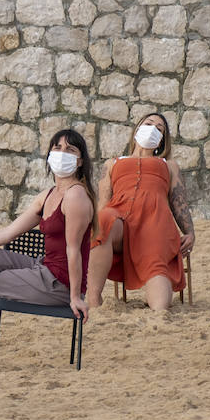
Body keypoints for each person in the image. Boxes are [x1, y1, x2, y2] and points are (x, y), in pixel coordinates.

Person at [0, 129, 96, 366]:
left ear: (80, 161)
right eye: (57, 148)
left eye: (70, 150)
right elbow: (9, 232)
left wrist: (75, 296)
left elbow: (74, 250)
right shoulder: (48, 195)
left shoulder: (75, 196)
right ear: (49, 153)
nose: (62, 153)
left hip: (60, 283)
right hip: (43, 267)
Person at [86, 113, 195, 311]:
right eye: (148, 123)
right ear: (137, 129)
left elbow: (179, 202)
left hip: (155, 223)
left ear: (163, 140)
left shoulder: (168, 165)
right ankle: (94, 302)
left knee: (160, 303)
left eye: (159, 128)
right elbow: (103, 203)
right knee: (103, 222)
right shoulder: (113, 163)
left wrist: (190, 232)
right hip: (119, 219)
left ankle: (158, 311)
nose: (153, 129)